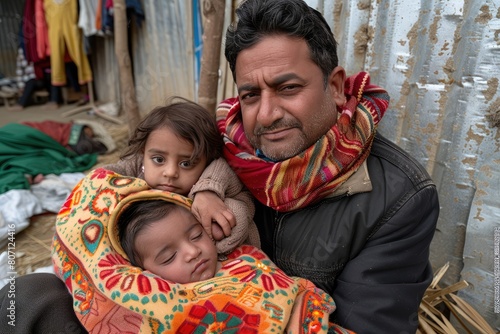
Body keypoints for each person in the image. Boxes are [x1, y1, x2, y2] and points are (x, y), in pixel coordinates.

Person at [189, 0, 439, 333]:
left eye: (288, 88)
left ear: (334, 87)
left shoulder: (399, 198)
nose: (266, 115)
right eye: (250, 95)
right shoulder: (216, 152)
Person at [51, 168, 352, 333]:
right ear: (142, 274)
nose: (192, 252)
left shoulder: (243, 259)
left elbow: (289, 289)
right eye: (168, 257)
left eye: (196, 235)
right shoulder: (156, 303)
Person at [103, 96, 260, 254]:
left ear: (207, 163)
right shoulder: (136, 169)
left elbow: (237, 213)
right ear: (143, 154)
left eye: (186, 163)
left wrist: (208, 193)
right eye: (159, 160)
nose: (170, 172)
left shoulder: (215, 198)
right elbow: (101, 177)